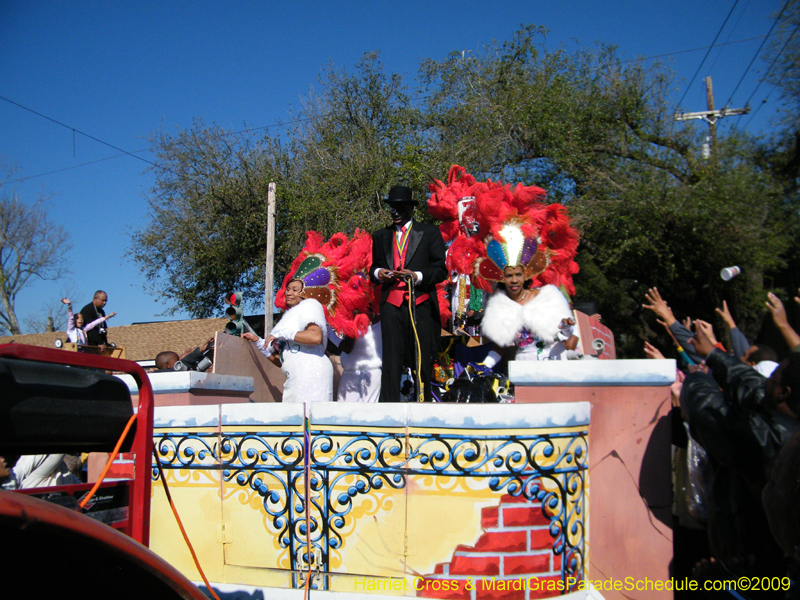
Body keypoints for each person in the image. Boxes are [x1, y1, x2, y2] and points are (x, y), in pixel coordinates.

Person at [370, 185, 447, 402]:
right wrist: (379, 272)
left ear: (411, 208)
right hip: (391, 305)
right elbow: (372, 268)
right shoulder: (381, 236)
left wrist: (418, 276)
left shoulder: (430, 232)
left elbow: (441, 270)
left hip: (420, 303)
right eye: (392, 208)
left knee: (421, 358)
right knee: (392, 360)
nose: (394, 212)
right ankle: (389, 411)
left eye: (400, 207)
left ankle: (423, 406)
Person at [242, 279, 333, 403]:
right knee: (296, 418)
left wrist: (284, 333)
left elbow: (315, 337)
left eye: (295, 290)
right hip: (296, 376)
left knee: (308, 419)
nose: (289, 293)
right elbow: (280, 361)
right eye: (288, 289)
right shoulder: (290, 316)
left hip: (311, 373)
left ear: (305, 292)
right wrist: (258, 341)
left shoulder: (310, 305)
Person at [481, 264, 578, 363]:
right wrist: (484, 366)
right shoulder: (499, 307)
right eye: (509, 276)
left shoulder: (547, 296)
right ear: (501, 278)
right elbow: (500, 346)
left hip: (554, 363)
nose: (514, 280)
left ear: (525, 275)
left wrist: (566, 327)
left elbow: (570, 333)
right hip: (524, 368)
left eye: (518, 274)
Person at [328, 316, 382, 403]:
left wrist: (329, 333)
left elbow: (347, 347)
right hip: (374, 375)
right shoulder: (380, 320)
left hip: (354, 377)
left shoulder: (355, 321)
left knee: (347, 413)